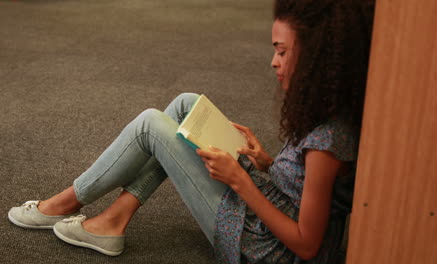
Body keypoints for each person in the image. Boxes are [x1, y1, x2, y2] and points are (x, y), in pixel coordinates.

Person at [8, 0, 375, 263]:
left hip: (262, 246)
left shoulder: (328, 140)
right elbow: (305, 188)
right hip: (268, 206)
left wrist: (241, 182)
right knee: (186, 103)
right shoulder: (327, 108)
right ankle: (113, 219)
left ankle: (67, 203)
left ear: (315, 56)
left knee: (152, 123)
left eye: (282, 51)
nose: (273, 62)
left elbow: (307, 246)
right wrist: (265, 162)